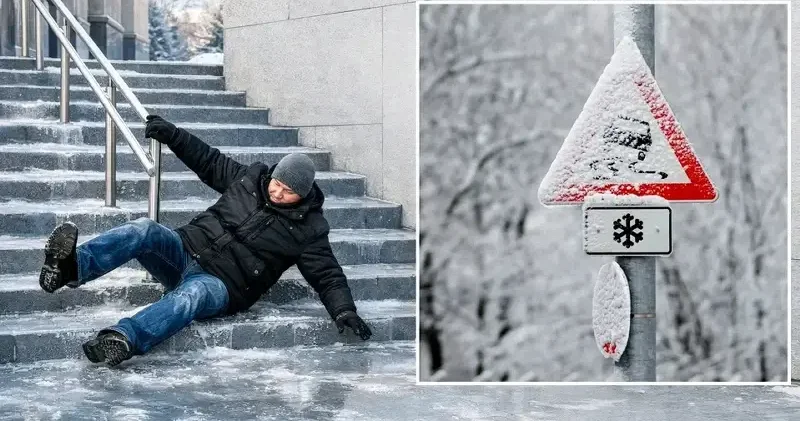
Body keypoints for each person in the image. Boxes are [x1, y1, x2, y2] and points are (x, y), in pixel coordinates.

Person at [38, 115, 373, 367]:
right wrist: (174, 136)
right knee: (144, 229)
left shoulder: (309, 230)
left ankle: (123, 339)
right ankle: (72, 267)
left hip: (222, 285)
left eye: (288, 191)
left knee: (193, 295)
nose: (277, 192)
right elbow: (209, 161)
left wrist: (344, 310)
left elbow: (327, 275)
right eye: (277, 183)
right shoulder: (250, 179)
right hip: (183, 251)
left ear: (302, 195)